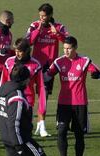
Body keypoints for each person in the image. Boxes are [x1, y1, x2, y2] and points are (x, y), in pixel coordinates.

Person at [45, 36, 100, 156]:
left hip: (80, 104)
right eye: (64, 48)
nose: (66, 51)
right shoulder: (59, 62)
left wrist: (97, 75)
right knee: (61, 131)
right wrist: (41, 73)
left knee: (79, 134)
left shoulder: (84, 61)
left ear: (75, 48)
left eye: (69, 48)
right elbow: (47, 76)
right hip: (63, 104)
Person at [0, 38, 46, 156]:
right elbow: (4, 82)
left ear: (27, 51)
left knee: (25, 133)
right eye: (16, 50)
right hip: (11, 102)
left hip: (27, 104)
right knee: (12, 131)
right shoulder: (9, 62)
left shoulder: (35, 65)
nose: (17, 53)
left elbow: (41, 88)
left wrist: (41, 111)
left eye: (20, 51)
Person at [26, 3, 69, 137]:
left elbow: (68, 42)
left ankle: (41, 124)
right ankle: (33, 123)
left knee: (44, 94)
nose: (42, 18)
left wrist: (58, 35)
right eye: (40, 16)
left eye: (44, 16)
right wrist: (38, 30)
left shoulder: (59, 27)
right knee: (29, 94)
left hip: (49, 67)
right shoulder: (34, 25)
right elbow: (27, 42)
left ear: (50, 15)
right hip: (34, 66)